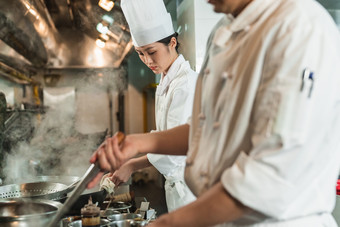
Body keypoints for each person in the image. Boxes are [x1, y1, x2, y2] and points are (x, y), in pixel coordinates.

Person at [89, 0, 340, 226]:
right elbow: (206, 130)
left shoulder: (297, 28)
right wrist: (135, 143)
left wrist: (169, 223)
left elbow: (273, 174)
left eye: (150, 52)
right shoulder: (223, 33)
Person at [102, 0, 197, 212]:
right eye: (140, 53)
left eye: (151, 52)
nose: (147, 60)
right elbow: (163, 136)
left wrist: (132, 163)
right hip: (176, 189)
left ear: (172, 42)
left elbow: (173, 152)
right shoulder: (165, 81)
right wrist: (129, 162)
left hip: (192, 191)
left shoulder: (186, 84)